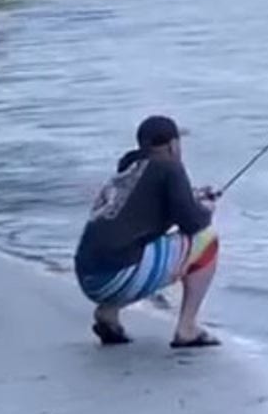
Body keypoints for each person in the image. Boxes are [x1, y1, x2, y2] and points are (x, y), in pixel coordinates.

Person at [73, 115, 222, 348]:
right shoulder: (170, 167)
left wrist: (192, 198)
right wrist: (206, 209)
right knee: (208, 239)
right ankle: (187, 329)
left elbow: (145, 210)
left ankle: (108, 314)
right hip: (116, 277)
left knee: (133, 247)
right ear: (173, 145)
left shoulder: (127, 169)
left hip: (88, 277)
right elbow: (193, 224)